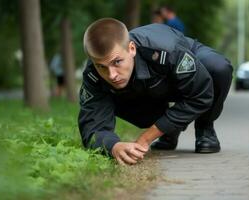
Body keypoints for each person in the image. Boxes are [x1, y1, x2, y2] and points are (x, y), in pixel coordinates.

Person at [78, 18, 233, 165]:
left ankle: (205, 128)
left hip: (185, 71)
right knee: (113, 91)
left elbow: (201, 95)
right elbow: (92, 126)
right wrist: (113, 146)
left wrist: (146, 138)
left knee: (219, 68)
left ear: (131, 49)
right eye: (102, 66)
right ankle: (169, 132)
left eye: (117, 62)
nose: (111, 75)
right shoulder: (93, 75)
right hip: (150, 91)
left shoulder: (167, 51)